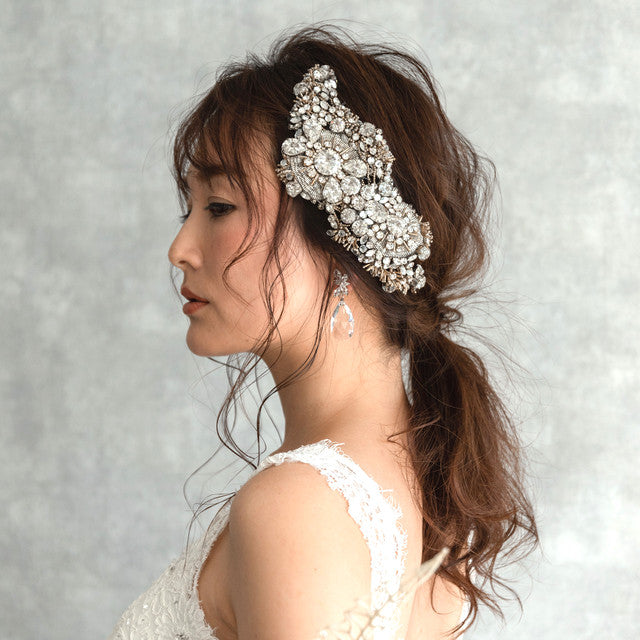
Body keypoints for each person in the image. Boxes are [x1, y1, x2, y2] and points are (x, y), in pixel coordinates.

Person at [108, 22, 539, 640]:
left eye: (220, 207)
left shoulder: (298, 506)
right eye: (189, 208)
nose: (180, 249)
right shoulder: (427, 480)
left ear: (340, 243)